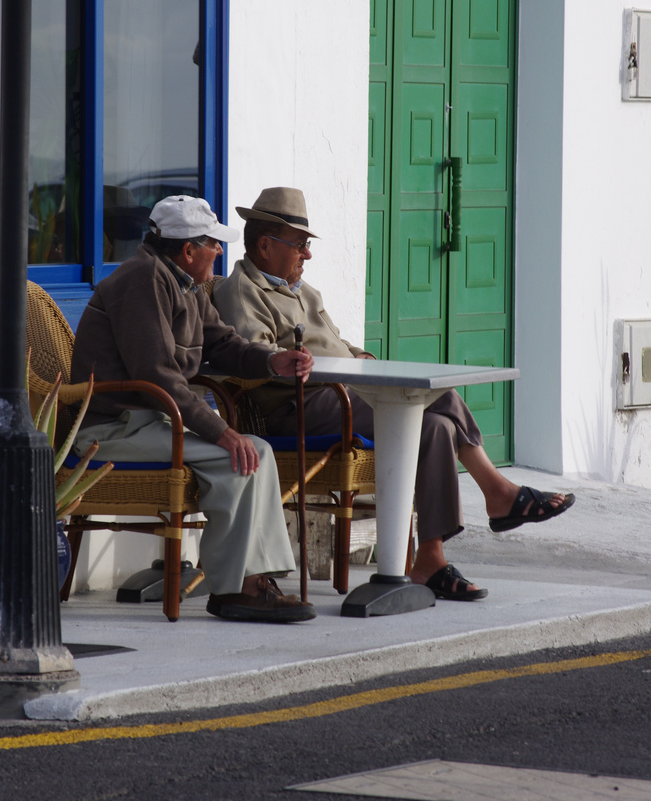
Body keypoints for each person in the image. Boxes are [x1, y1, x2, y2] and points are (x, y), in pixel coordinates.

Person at [213, 187, 576, 602]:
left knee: (435, 426)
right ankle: (498, 493)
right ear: (265, 244)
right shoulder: (242, 290)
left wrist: (360, 356)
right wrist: (297, 361)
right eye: (299, 245)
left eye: (306, 245)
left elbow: (334, 343)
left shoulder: (304, 292)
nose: (307, 255)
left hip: (342, 393)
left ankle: (430, 559)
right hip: (297, 407)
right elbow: (254, 357)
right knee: (436, 396)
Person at [70, 194, 316, 623]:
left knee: (255, 452)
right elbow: (158, 376)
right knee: (243, 453)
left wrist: (271, 360)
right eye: (213, 245)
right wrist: (221, 431)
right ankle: (237, 587)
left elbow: (223, 344)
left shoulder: (186, 283)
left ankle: (247, 580)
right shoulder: (143, 279)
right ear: (188, 250)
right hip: (112, 429)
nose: (220, 251)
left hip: (153, 419)